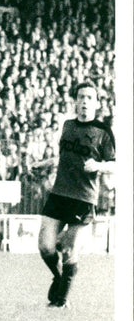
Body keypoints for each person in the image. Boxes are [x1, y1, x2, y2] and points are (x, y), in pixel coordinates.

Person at [35, 82, 115, 308]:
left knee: (69, 250)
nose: (84, 102)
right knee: (45, 247)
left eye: (90, 98)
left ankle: (61, 300)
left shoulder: (104, 132)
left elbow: (117, 164)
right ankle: (59, 278)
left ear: (97, 103)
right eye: (81, 97)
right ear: (75, 101)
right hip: (59, 194)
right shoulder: (67, 126)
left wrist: (99, 166)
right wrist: (47, 163)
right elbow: (66, 158)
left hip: (83, 199)